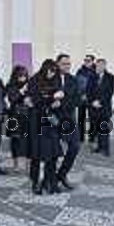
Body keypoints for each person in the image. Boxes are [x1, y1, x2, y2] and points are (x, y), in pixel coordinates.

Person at [27, 59, 63, 194]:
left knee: (53, 153)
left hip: (51, 120)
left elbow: (59, 96)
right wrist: (52, 98)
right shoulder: (35, 80)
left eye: (54, 72)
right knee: (37, 153)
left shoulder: (55, 79)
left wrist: (58, 100)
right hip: (37, 121)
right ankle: (36, 182)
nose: (52, 74)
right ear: (44, 69)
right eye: (50, 71)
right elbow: (35, 100)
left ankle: (51, 182)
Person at [54, 53, 81, 190]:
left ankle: (62, 174)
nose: (67, 66)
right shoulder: (51, 78)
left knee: (75, 146)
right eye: (64, 63)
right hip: (53, 119)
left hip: (69, 118)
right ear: (57, 64)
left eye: (69, 64)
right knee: (52, 150)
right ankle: (51, 178)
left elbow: (77, 99)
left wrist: (62, 102)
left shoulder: (73, 79)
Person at [87, 58, 114, 156]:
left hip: (104, 107)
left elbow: (109, 92)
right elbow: (88, 91)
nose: (99, 67)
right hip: (93, 107)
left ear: (104, 66)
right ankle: (99, 147)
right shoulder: (92, 77)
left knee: (104, 128)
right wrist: (92, 102)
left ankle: (105, 148)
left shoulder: (110, 77)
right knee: (96, 128)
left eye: (101, 65)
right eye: (98, 65)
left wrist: (100, 101)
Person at [4, 65, 30, 171]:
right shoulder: (11, 85)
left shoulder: (30, 85)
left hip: (26, 116)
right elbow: (12, 98)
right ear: (16, 76)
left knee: (28, 140)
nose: (23, 78)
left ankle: (27, 164)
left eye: (25, 75)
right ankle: (16, 165)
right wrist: (21, 91)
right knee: (15, 140)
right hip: (14, 116)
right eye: (20, 75)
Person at [75, 54, 97, 142]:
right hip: (81, 98)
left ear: (92, 61)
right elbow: (76, 84)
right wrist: (80, 95)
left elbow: (97, 86)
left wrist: (89, 96)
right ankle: (81, 137)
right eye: (85, 60)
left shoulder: (96, 71)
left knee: (93, 118)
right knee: (81, 118)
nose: (86, 62)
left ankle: (92, 137)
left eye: (88, 60)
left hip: (91, 99)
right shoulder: (80, 71)